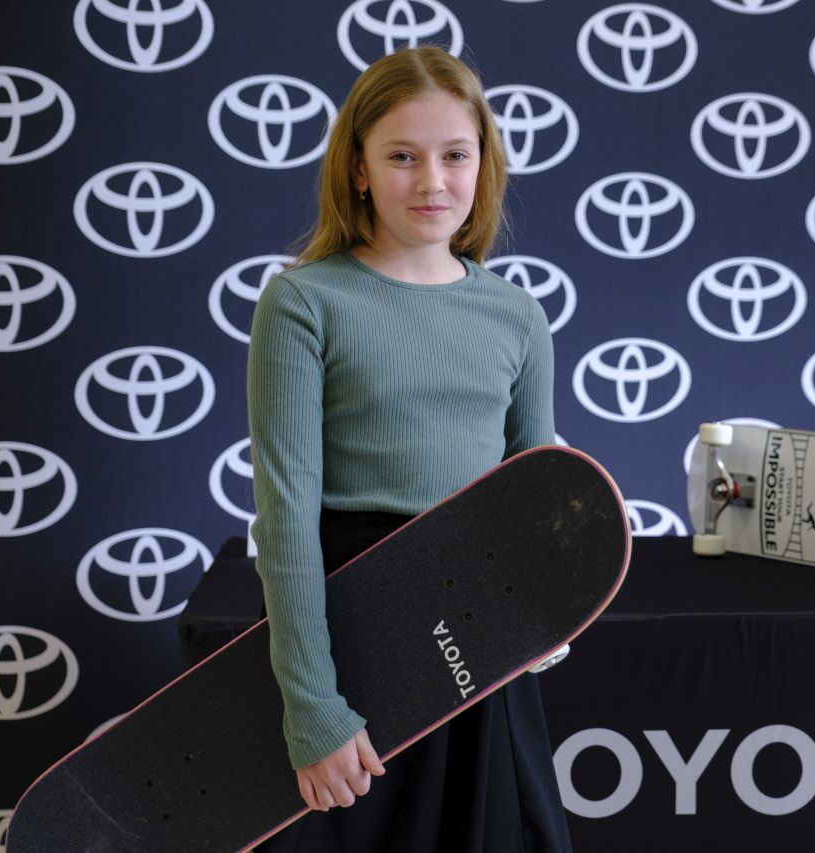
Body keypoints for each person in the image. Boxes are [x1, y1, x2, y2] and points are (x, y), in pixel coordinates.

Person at [247, 46, 571, 852]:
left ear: (483, 166)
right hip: (359, 635)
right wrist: (313, 706)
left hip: (480, 648)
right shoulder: (303, 301)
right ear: (358, 168)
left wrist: (542, 614)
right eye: (402, 156)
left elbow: (535, 497)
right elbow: (286, 520)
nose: (432, 181)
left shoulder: (517, 315)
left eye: (455, 155)